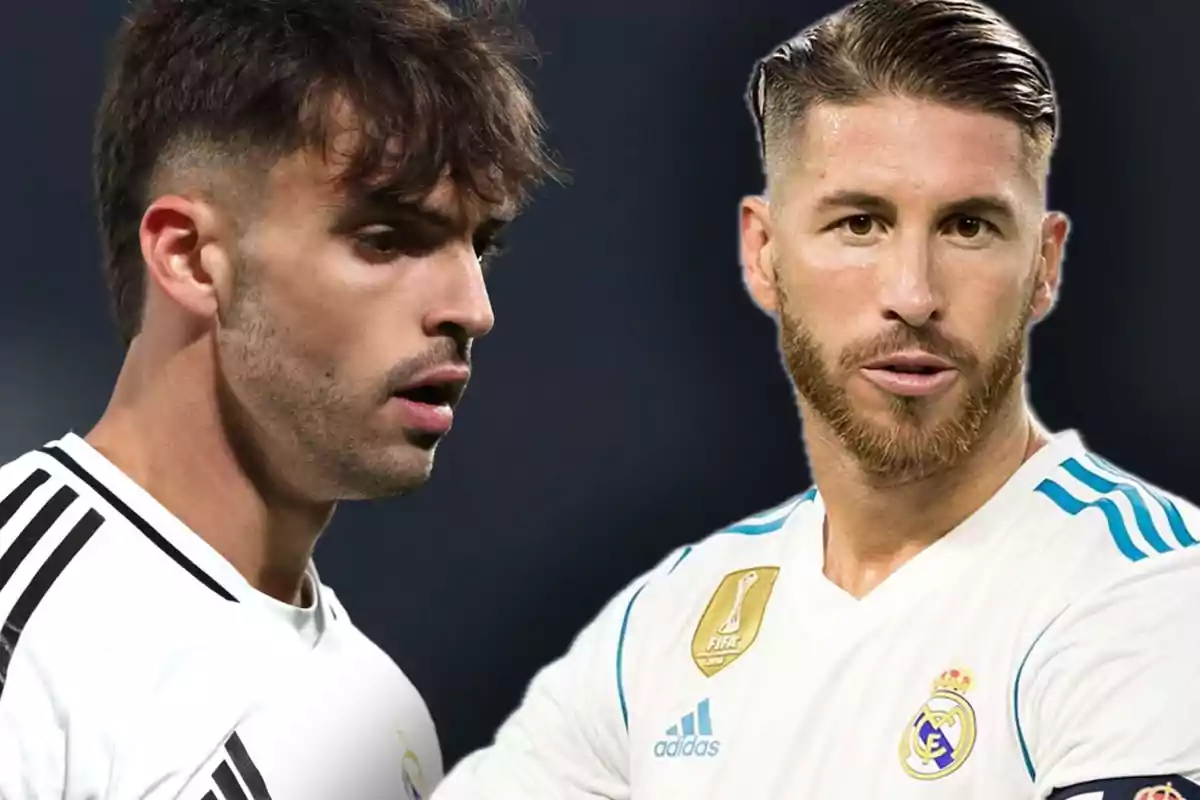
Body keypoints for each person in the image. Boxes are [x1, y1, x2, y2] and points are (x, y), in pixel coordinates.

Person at [433, 0, 1200, 797]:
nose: (913, 293)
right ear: (763, 253)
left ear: (1043, 265)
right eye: (860, 223)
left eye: (968, 226)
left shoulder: (1150, 591)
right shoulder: (671, 622)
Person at [0, 0, 552, 797]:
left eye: (479, 245)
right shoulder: (26, 622)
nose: (471, 308)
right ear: (191, 258)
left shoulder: (385, 716)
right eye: (387, 239)